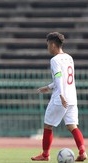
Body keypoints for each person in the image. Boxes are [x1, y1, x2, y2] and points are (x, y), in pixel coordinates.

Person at [31, 32, 86, 162]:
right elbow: (65, 79)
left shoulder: (54, 60)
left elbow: (59, 77)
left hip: (60, 98)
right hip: (72, 97)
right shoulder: (69, 57)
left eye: (48, 45)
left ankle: (45, 155)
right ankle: (82, 152)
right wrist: (49, 87)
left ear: (53, 45)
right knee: (72, 126)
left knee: (48, 125)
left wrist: (60, 95)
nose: (48, 48)